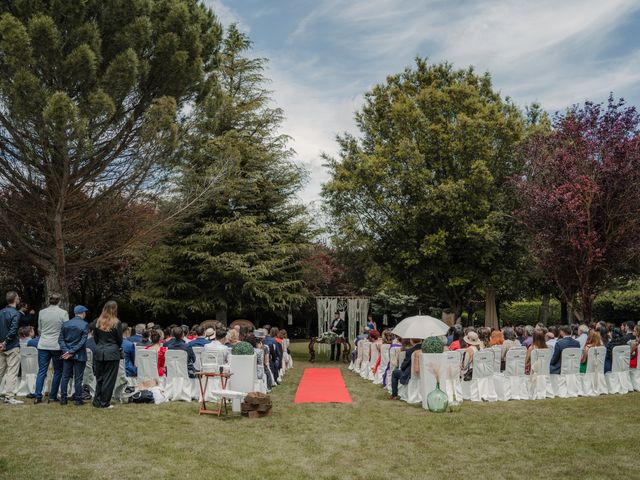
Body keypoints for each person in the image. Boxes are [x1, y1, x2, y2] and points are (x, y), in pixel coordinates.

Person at [34, 293, 69, 404]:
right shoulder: (63, 313)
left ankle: (37, 396)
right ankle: (52, 396)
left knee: (42, 371)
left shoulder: (42, 312)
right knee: (58, 371)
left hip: (43, 343)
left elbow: (39, 329)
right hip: (56, 345)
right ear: (59, 301)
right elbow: (66, 329)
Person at [93, 301, 123, 409]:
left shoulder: (97, 322)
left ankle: (97, 401)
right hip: (112, 352)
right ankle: (105, 402)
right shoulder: (117, 323)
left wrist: (101, 345)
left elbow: (95, 338)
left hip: (100, 351)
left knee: (100, 378)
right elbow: (120, 340)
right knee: (109, 379)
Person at [58, 305, 90, 406]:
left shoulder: (66, 324)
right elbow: (82, 341)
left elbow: (60, 339)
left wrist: (67, 351)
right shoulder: (84, 324)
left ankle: (63, 399)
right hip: (79, 354)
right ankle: (78, 399)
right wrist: (71, 351)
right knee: (78, 378)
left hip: (67, 354)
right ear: (83, 313)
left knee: (65, 376)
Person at [0, 291, 24, 404]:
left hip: (1, 346)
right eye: (18, 297)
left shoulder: (1, 312)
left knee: (0, 371)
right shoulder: (16, 313)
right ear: (15, 299)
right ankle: (9, 396)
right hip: (11, 346)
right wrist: (5, 342)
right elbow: (13, 330)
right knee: (12, 372)